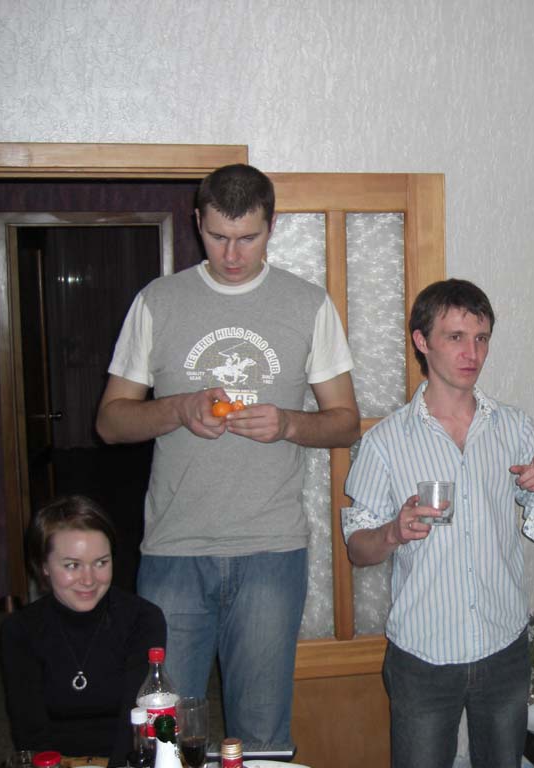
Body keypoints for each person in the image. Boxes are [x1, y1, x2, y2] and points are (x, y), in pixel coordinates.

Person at [95, 163, 361, 751]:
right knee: (165, 740)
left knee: (262, 738)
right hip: (174, 551)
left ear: (272, 226)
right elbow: (110, 423)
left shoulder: (309, 304)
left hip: (272, 550)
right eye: (218, 237)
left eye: (248, 237)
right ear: (197, 223)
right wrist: (178, 408)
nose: (233, 254)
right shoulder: (158, 302)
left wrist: (288, 423)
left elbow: (346, 422)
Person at [342, 279, 534, 768]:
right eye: (455, 337)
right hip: (423, 654)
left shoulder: (514, 427)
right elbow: (357, 550)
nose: (472, 353)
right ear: (421, 341)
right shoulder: (386, 442)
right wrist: (393, 532)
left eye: (481, 338)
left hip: (503, 646)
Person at [0, 495, 167, 766]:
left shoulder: (143, 619)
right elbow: (29, 731)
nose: (89, 580)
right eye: (72, 565)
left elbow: (136, 723)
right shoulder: (20, 631)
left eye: (101, 562)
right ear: (44, 566)